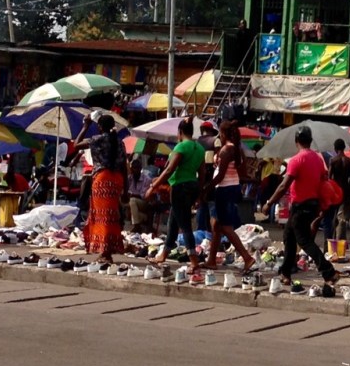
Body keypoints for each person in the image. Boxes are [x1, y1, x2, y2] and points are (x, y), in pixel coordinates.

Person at [260, 126, 339, 288]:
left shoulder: (296, 160)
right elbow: (323, 180)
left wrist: (269, 203)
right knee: (289, 238)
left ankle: (328, 271)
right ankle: (286, 273)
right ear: (310, 141)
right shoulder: (318, 159)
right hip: (313, 204)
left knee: (304, 241)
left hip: (300, 206)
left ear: (296, 142)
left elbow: (283, 186)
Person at [144, 118, 204, 281]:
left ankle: (194, 260)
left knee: (184, 225)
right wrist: (199, 194)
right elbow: (202, 172)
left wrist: (154, 186)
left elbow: (170, 169)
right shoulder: (199, 148)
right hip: (192, 186)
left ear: (179, 132)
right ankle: (163, 254)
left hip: (180, 187)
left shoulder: (181, 146)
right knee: (173, 221)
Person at [71, 110, 127, 264]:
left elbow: (76, 145)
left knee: (102, 216)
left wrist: (86, 126)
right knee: (111, 215)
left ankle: (105, 252)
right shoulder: (120, 142)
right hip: (117, 180)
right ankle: (108, 249)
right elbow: (124, 167)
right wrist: (126, 190)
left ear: (100, 127)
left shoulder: (97, 139)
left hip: (102, 179)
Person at [202, 121, 255, 272]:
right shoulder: (236, 149)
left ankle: (247, 258)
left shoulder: (227, 150)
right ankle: (211, 260)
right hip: (231, 188)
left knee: (225, 227)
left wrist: (206, 189)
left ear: (223, 134)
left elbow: (220, 176)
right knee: (217, 226)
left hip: (223, 189)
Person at [327, 138, 350, 241]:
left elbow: (329, 178)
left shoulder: (333, 160)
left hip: (334, 191)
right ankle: (340, 241)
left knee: (332, 216)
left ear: (335, 149)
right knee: (342, 218)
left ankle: (332, 240)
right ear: (344, 148)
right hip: (345, 190)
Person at [126, 158, 156, 233]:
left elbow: (143, 196)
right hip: (133, 203)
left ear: (140, 169)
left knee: (132, 200)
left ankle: (136, 226)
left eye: (137, 168)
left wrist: (132, 195)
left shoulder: (146, 179)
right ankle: (143, 218)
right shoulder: (130, 178)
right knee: (130, 203)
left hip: (144, 202)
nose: (135, 170)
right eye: (133, 168)